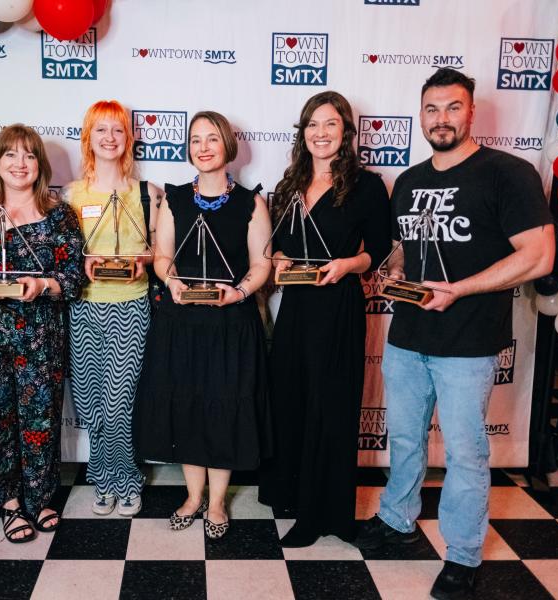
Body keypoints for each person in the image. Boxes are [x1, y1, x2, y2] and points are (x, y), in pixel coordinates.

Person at [353, 68, 554, 599]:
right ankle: (397, 521)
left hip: (468, 341)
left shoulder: (507, 174)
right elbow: (406, 246)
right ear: (420, 116)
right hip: (407, 336)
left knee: (466, 453)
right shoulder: (412, 180)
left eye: (453, 107)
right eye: (432, 109)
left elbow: (538, 256)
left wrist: (460, 288)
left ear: (472, 112)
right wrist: (393, 270)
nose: (442, 119)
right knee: (403, 438)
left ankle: (462, 554)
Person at [257, 91, 390, 548]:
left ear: (346, 131)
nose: (321, 133)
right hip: (295, 307)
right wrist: (275, 260)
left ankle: (327, 514)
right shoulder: (290, 183)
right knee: (292, 399)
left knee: (331, 407)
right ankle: (293, 497)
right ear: (303, 132)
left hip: (338, 306)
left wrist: (347, 265)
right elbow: (275, 243)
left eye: (330, 124)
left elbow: (378, 250)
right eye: (313, 124)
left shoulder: (367, 186)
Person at [133, 111, 272, 539]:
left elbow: (261, 264)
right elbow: (162, 257)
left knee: (223, 407)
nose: (204, 146)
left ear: (228, 146)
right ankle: (192, 497)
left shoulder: (252, 202)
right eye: (196, 139)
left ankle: (216, 503)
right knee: (188, 407)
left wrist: (240, 293)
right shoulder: (173, 197)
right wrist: (171, 282)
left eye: (212, 138)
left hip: (231, 323)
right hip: (182, 322)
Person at [0, 124, 84, 543]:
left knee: (40, 418)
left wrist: (41, 285)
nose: (19, 163)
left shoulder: (58, 214)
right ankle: (8, 503)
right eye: (10, 154)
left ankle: (41, 496)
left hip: (40, 334)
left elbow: (71, 280)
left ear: (40, 165)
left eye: (29, 155)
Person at [64, 100, 162, 516]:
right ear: (88, 137)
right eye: (101, 130)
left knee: (119, 402)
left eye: (117, 130)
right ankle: (103, 479)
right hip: (84, 309)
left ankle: (127, 480)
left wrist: (144, 258)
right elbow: (64, 254)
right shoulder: (72, 193)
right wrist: (80, 262)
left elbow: (163, 253)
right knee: (90, 403)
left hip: (130, 306)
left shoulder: (148, 193)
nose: (109, 138)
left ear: (129, 138)